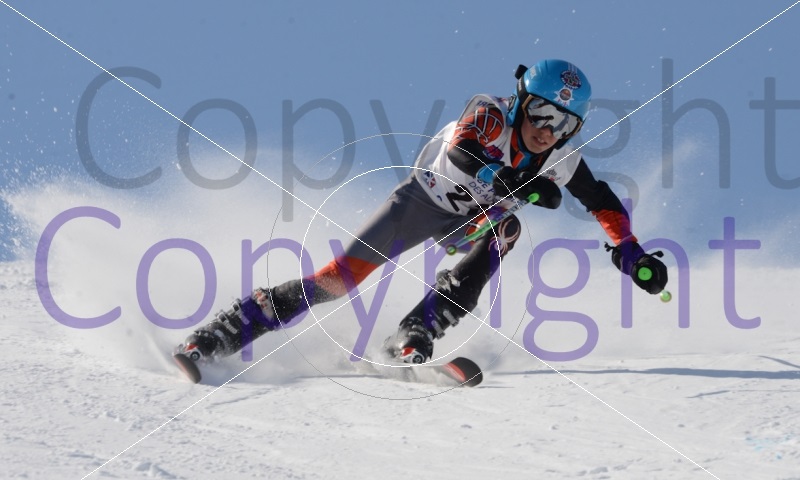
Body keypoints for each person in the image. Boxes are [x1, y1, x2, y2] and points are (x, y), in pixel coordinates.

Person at [173, 59, 668, 369]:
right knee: (337, 282)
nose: (547, 130)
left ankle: (417, 332)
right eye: (541, 112)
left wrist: (630, 251)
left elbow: (601, 200)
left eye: (563, 124)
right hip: (421, 202)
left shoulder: (560, 157)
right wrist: (506, 178)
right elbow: (463, 151)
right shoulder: (492, 112)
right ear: (522, 101)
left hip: (471, 221)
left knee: (508, 228)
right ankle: (225, 332)